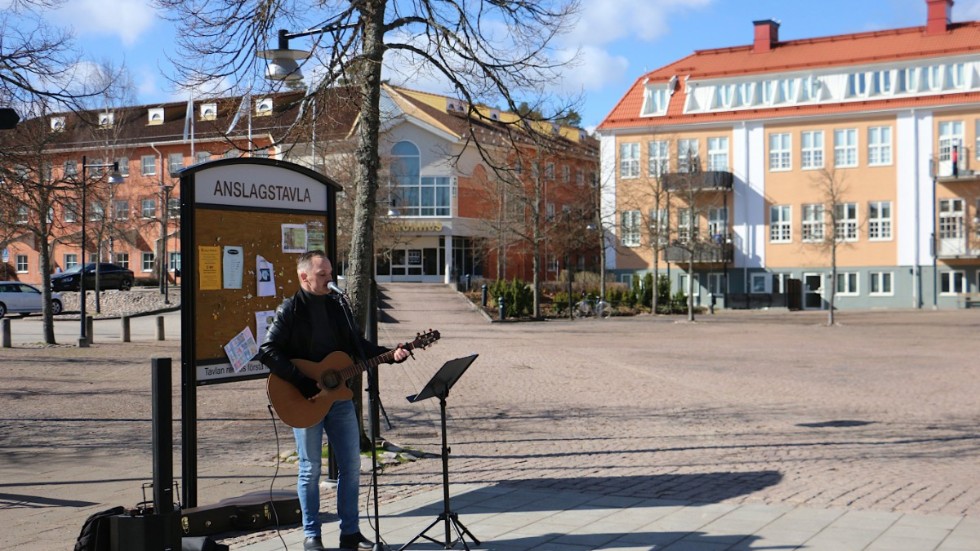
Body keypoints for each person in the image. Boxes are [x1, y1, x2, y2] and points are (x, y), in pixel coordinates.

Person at [259, 250, 409, 551]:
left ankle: (350, 533)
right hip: (303, 399)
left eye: (330, 272)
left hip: (338, 399)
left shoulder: (337, 306)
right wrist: (302, 382)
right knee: (310, 468)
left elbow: (357, 346)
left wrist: (389, 355)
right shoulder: (291, 309)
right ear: (305, 277)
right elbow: (268, 351)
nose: (330, 278)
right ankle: (311, 534)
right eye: (323, 274)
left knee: (352, 465)